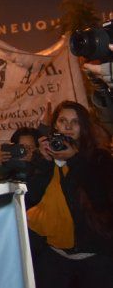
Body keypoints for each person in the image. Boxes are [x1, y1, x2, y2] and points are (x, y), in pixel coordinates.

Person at [26, 101, 113, 287]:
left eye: (75, 122)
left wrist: (74, 159)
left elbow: (100, 199)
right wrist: (43, 162)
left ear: (84, 127)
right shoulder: (46, 158)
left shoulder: (99, 158)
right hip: (55, 258)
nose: (67, 126)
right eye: (62, 120)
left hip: (95, 258)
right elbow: (31, 197)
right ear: (55, 125)